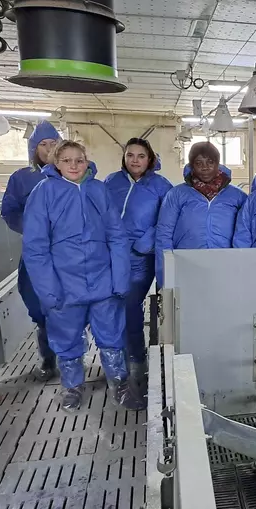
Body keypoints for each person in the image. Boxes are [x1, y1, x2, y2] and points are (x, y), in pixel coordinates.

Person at [22, 140, 144, 412]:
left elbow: (117, 235)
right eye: (66, 160)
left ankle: (121, 387)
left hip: (103, 282)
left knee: (112, 337)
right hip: (64, 284)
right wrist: (48, 290)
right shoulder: (44, 193)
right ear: (56, 163)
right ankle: (72, 387)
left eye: (79, 159)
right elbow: (35, 247)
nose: (74, 165)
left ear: (87, 161)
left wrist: (120, 278)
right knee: (66, 339)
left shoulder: (98, 190)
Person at [105, 138, 172, 385]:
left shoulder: (161, 186)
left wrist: (145, 243)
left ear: (150, 158)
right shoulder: (111, 182)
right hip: (112, 255)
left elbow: (167, 220)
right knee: (111, 306)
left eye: (141, 156)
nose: (135, 160)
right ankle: (117, 357)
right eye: (130, 155)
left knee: (130, 305)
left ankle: (136, 359)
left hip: (140, 258)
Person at [1, 120, 61, 381]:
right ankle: (48, 359)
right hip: (36, 253)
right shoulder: (21, 178)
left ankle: (73, 357)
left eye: (53, 144)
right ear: (34, 149)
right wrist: (34, 229)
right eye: (43, 145)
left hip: (65, 252)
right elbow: (10, 211)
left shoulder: (71, 173)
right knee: (37, 302)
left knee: (71, 305)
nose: (48, 149)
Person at [155, 141, 247, 287]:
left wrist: (242, 266)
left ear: (218, 164)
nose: (205, 167)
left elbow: (246, 234)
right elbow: (164, 234)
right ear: (192, 165)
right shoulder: (176, 195)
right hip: (186, 264)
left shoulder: (237, 197)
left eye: (210, 162)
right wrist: (164, 276)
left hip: (225, 265)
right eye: (199, 163)